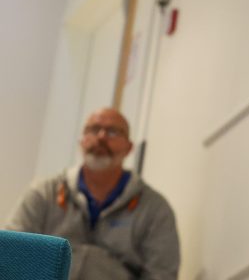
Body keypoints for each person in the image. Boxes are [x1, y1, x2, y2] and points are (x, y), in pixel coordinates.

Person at [7, 107, 180, 280]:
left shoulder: (155, 209)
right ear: (81, 141)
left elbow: (162, 275)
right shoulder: (44, 193)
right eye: (94, 129)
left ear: (129, 148)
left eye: (113, 132)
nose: (101, 137)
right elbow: (10, 254)